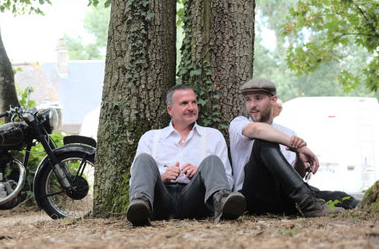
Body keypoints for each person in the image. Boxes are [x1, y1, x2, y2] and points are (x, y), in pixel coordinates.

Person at [229, 78, 359, 217]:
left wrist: (298, 157)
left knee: (341, 197)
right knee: (264, 141)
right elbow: (258, 130)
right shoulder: (239, 124)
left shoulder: (288, 132)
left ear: (273, 100)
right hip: (253, 197)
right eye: (248, 99)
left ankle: (311, 203)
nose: (252, 105)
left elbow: (296, 177)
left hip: (284, 197)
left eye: (258, 98)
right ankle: (309, 205)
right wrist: (295, 146)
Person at [127, 85, 246, 226]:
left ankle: (225, 206)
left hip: (196, 200)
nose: (191, 107)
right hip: (160, 200)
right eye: (184, 103)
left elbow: (227, 179)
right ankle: (140, 208)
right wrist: (162, 177)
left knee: (212, 161)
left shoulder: (213, 136)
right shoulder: (151, 138)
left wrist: (201, 175)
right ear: (170, 110)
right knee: (143, 159)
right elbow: (136, 181)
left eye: (194, 102)